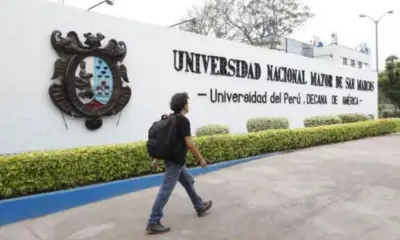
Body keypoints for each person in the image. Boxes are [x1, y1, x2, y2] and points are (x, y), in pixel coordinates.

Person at [146, 92, 212, 235]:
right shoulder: (182, 120)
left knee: (188, 182)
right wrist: (200, 158)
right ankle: (153, 221)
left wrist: (157, 159)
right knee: (166, 190)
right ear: (183, 105)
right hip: (175, 162)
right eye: (187, 103)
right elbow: (189, 143)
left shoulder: (170, 119)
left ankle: (199, 206)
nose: (189, 105)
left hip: (175, 160)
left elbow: (164, 141)